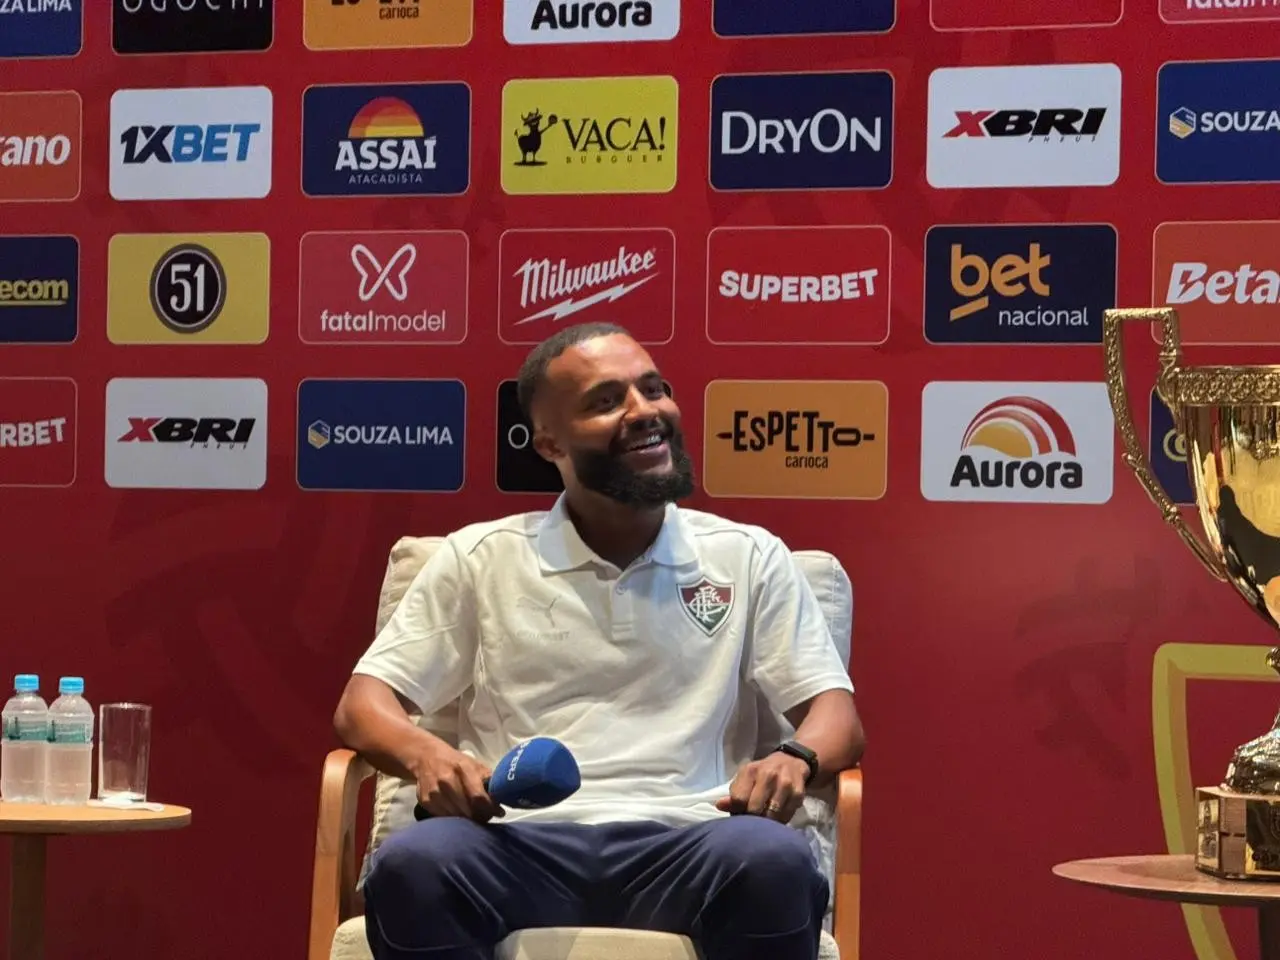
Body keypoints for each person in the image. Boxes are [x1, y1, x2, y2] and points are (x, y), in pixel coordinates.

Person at [333, 322, 865, 960]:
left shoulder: (748, 556)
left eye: (653, 389)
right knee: (414, 865)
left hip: (692, 841)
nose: (644, 412)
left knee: (773, 862)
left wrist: (795, 757)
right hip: (515, 843)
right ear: (548, 442)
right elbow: (362, 706)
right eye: (607, 401)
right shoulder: (479, 557)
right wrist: (425, 755)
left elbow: (836, 716)